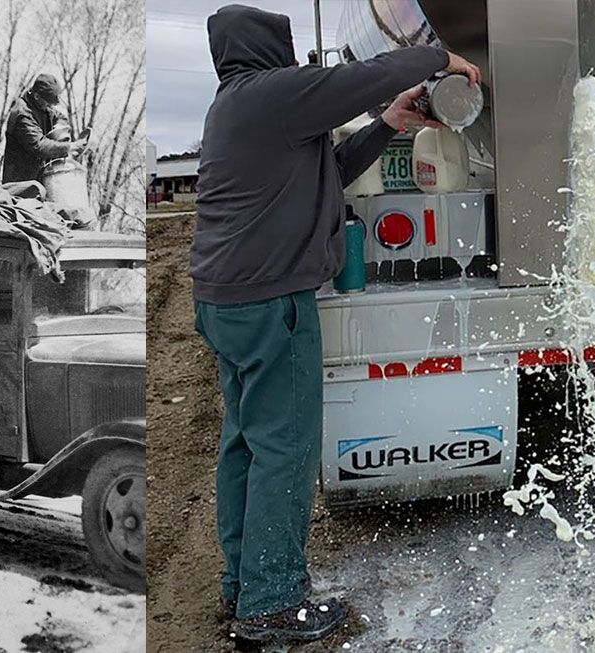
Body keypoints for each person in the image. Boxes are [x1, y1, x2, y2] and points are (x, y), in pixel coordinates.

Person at [189, 4, 481, 644]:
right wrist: (442, 58)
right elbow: (368, 74)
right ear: (269, 47)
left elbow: (326, 176)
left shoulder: (236, 106)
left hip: (226, 301)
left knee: (245, 444)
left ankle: (243, 586)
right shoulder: (271, 95)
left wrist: (388, 124)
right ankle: (271, 605)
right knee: (285, 451)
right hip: (271, 306)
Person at [3, 74, 86, 184]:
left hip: (38, 178)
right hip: (19, 183)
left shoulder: (41, 106)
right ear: (37, 96)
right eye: (48, 103)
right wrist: (69, 147)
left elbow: (60, 117)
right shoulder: (22, 114)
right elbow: (39, 146)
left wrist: (59, 130)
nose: (50, 107)